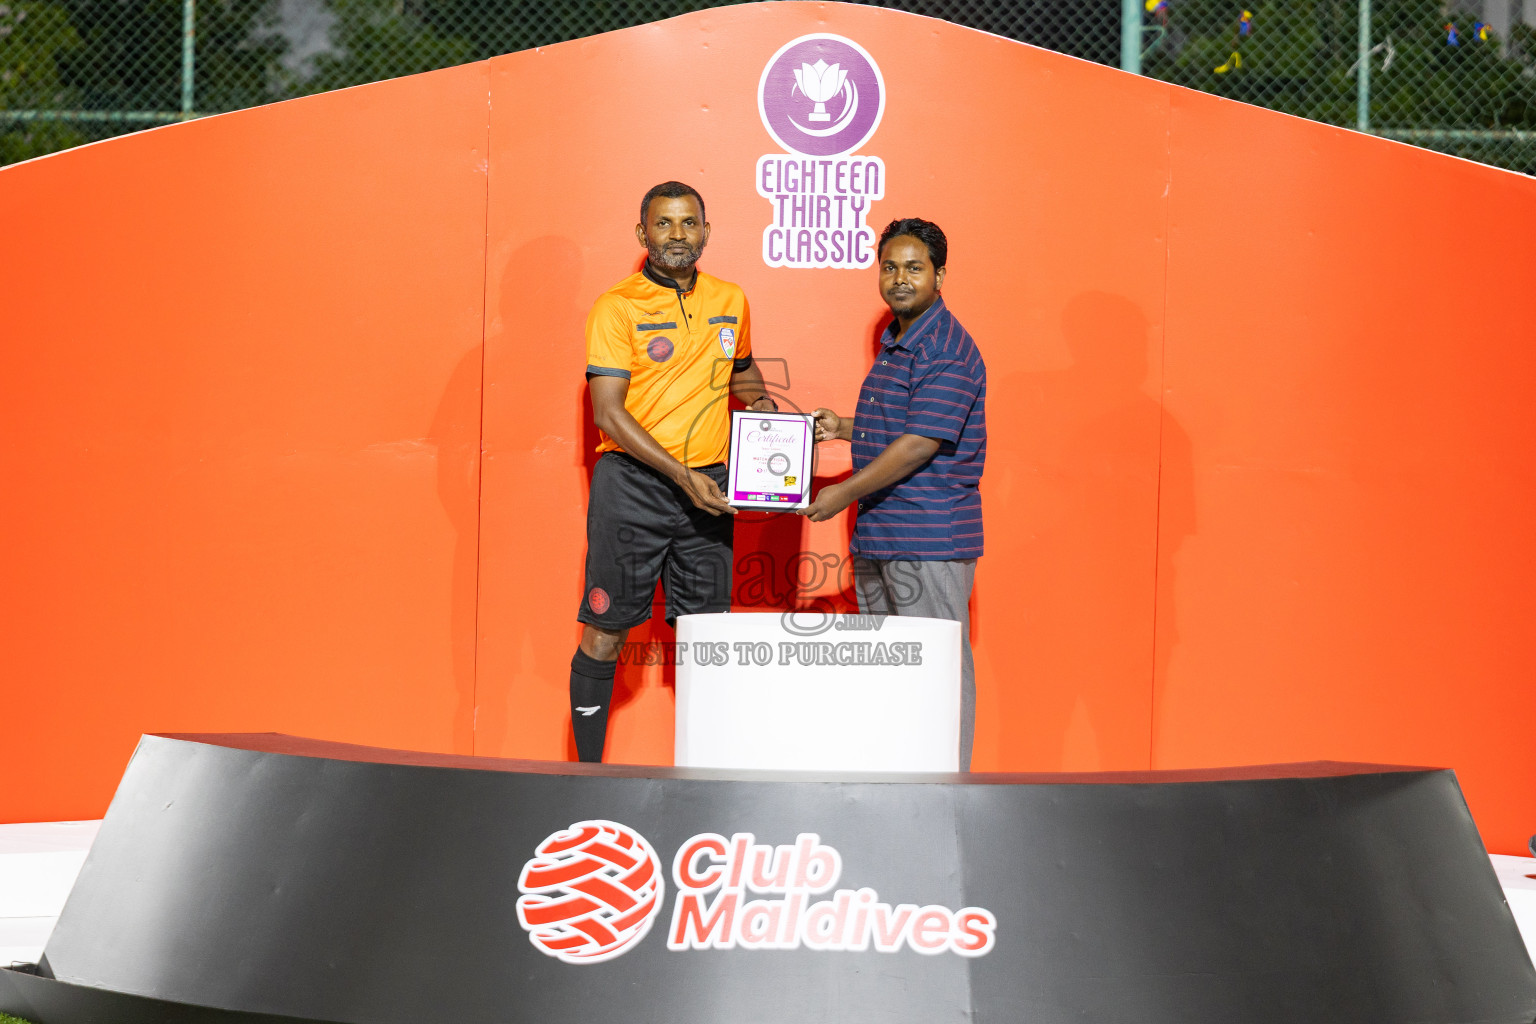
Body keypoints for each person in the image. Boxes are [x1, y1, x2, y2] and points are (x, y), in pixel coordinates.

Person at [570, 181, 778, 762]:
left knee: (706, 641)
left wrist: (761, 408)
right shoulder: (617, 306)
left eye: (689, 224)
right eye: (664, 224)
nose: (678, 236)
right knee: (606, 632)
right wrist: (681, 475)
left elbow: (742, 372)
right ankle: (586, 775)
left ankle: (703, 778)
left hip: (707, 489)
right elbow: (608, 411)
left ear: (706, 232)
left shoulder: (730, 299)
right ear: (643, 233)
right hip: (632, 488)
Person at [799, 218, 987, 769]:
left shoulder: (946, 347)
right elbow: (902, 422)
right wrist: (842, 427)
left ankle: (947, 791)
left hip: (929, 537)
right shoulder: (897, 340)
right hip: (883, 534)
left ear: (940, 274)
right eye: (889, 267)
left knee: (937, 668)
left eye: (914, 267)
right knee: (888, 668)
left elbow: (920, 443)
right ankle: (899, 781)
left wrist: (843, 493)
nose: (900, 278)